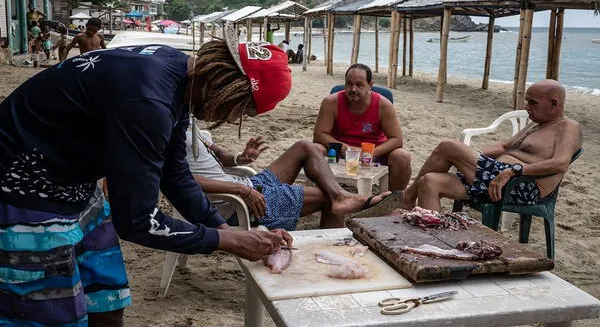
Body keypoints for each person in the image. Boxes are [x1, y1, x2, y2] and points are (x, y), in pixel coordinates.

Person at [0, 29, 295, 326]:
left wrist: (226, 228)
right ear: (229, 88)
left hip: (73, 181)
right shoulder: (148, 100)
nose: (234, 117)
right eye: (242, 110)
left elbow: (175, 171)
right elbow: (137, 221)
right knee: (44, 312)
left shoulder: (181, 75)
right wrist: (226, 241)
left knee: (107, 296)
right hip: (18, 184)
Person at [399, 79, 581, 212]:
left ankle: (407, 198)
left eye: (532, 102)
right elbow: (503, 147)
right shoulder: (536, 124)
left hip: (522, 186)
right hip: (495, 179)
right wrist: (470, 159)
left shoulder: (567, 126)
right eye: (527, 101)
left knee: (448, 146)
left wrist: (513, 170)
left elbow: (560, 163)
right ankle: (430, 242)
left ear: (554, 103)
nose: (527, 107)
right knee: (429, 181)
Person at [186, 129, 393, 230]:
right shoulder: (163, 130)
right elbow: (181, 179)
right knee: (325, 198)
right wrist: (242, 191)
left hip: (244, 184)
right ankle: (334, 258)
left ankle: (340, 196)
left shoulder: (186, 120)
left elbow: (214, 151)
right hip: (233, 203)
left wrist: (239, 158)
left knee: (305, 147)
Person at [313, 63, 412, 191]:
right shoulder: (331, 102)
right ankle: (323, 194)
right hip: (339, 151)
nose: (353, 89)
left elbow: (397, 139)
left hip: (374, 153)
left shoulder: (384, 105)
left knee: (402, 156)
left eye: (359, 85)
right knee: (315, 149)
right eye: (349, 84)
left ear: (370, 85)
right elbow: (319, 134)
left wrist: (369, 153)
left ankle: (392, 198)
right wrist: (346, 149)